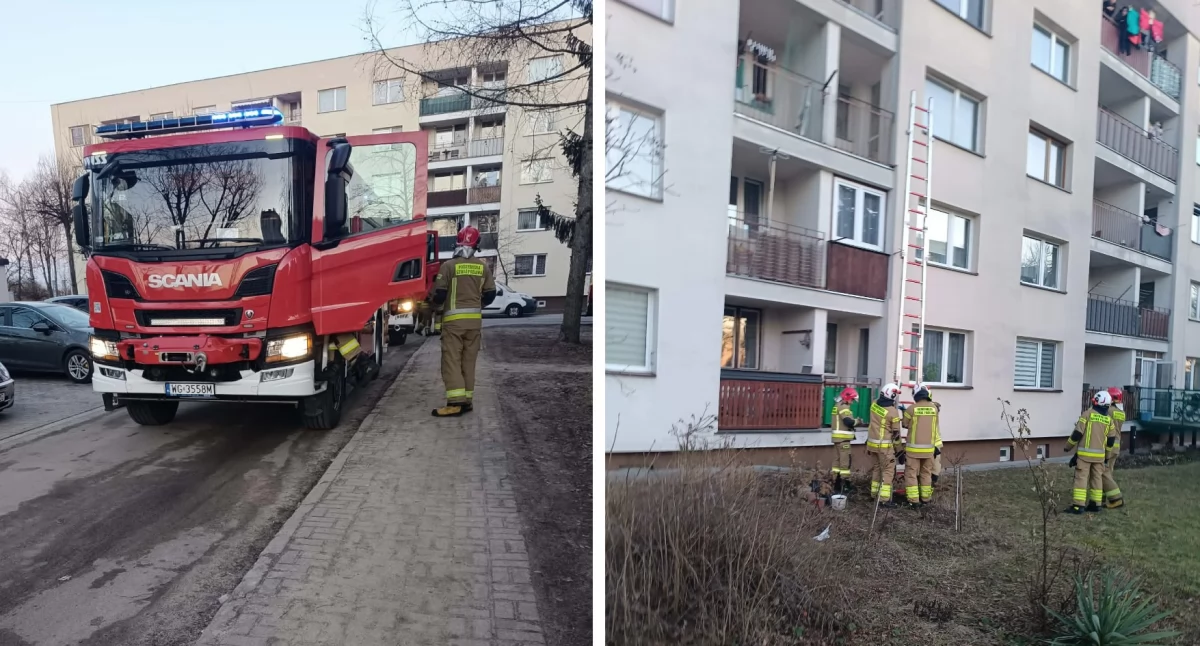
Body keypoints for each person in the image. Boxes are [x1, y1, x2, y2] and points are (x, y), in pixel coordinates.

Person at [430, 226, 496, 417]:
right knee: (469, 361)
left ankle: (455, 403)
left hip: (454, 324)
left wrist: (432, 305)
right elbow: (491, 293)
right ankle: (467, 401)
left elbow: (440, 295)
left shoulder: (449, 266)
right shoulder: (482, 267)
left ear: (457, 243)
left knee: (451, 361)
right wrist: (478, 305)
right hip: (474, 323)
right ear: (476, 245)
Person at [1064, 390, 1118, 514]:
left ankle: (1078, 506)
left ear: (1096, 402)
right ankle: (1095, 504)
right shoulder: (1109, 420)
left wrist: (1068, 447)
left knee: (1081, 478)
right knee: (1096, 479)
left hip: (1084, 456)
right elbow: (1110, 441)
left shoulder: (1087, 414)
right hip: (1100, 457)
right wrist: (1107, 457)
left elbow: (1077, 433)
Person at [901, 383, 943, 507]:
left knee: (911, 474)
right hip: (929, 449)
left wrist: (905, 414)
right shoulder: (934, 408)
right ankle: (926, 499)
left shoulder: (911, 409)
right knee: (926, 473)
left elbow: (904, 424)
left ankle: (914, 502)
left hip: (913, 450)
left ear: (916, 395)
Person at [867, 383, 904, 508]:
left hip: (872, 444)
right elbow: (896, 434)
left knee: (877, 468)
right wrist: (899, 451)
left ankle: (874, 494)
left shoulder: (874, 404)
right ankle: (883, 500)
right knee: (888, 471)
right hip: (885, 447)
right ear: (892, 395)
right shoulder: (893, 412)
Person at [830, 387, 859, 493]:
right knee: (845, 463)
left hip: (837, 440)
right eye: (852, 400)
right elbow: (848, 422)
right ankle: (844, 486)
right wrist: (858, 421)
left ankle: (835, 484)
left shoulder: (836, 406)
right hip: (843, 441)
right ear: (847, 398)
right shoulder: (844, 407)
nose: (852, 402)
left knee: (836, 463)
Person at [1102, 387, 1126, 509]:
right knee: (1108, 472)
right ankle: (1102, 497)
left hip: (1108, 446)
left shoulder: (1108, 411)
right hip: (1116, 447)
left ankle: (1116, 498)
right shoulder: (1121, 412)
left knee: (1102, 473)